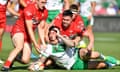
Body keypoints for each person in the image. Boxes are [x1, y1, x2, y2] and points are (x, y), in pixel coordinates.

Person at [28, 26, 118, 71]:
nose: (52, 35)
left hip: (77, 53)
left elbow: (71, 44)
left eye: (54, 32)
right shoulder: (49, 48)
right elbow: (42, 60)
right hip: (74, 64)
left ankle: (113, 60)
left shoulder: (63, 39)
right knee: (102, 65)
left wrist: (60, 36)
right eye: (50, 33)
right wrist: (35, 65)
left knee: (95, 54)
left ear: (58, 34)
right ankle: (110, 64)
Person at [1, 0, 48, 71]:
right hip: (19, 30)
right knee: (19, 46)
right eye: (42, 2)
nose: (43, 4)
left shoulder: (45, 11)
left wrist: (43, 43)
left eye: (45, 2)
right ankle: (6, 66)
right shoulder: (29, 9)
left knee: (25, 60)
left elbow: (41, 28)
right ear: (37, 1)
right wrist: (35, 44)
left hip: (28, 35)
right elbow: (29, 28)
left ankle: (14, 58)